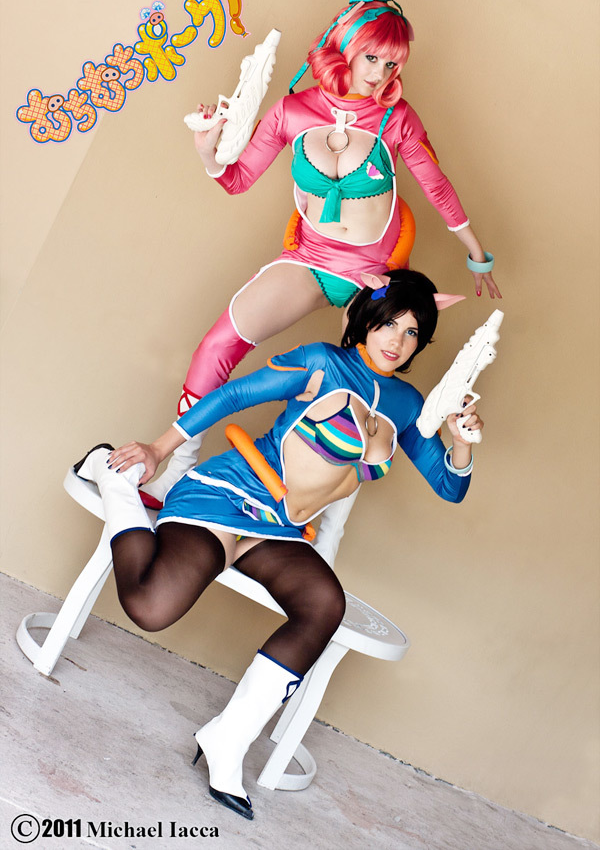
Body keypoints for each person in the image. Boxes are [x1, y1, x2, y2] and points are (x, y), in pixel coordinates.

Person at [74, 269, 484, 820]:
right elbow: (235, 394)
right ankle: (115, 478)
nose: (397, 340)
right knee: (151, 608)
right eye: (390, 323)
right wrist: (157, 449)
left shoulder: (408, 405)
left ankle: (228, 740)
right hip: (227, 494)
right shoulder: (322, 362)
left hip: (281, 527)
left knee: (324, 605)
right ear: (368, 318)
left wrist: (461, 443)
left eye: (412, 332)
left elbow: (450, 487)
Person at [141, 0, 500, 506]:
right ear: (345, 46)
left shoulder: (397, 118)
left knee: (362, 390)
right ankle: (175, 469)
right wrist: (207, 151)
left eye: (392, 64)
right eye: (371, 57)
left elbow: (436, 185)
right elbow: (237, 180)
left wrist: (476, 254)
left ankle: (312, 506)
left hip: (372, 274)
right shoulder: (292, 111)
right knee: (218, 345)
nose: (379, 74)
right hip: (310, 259)